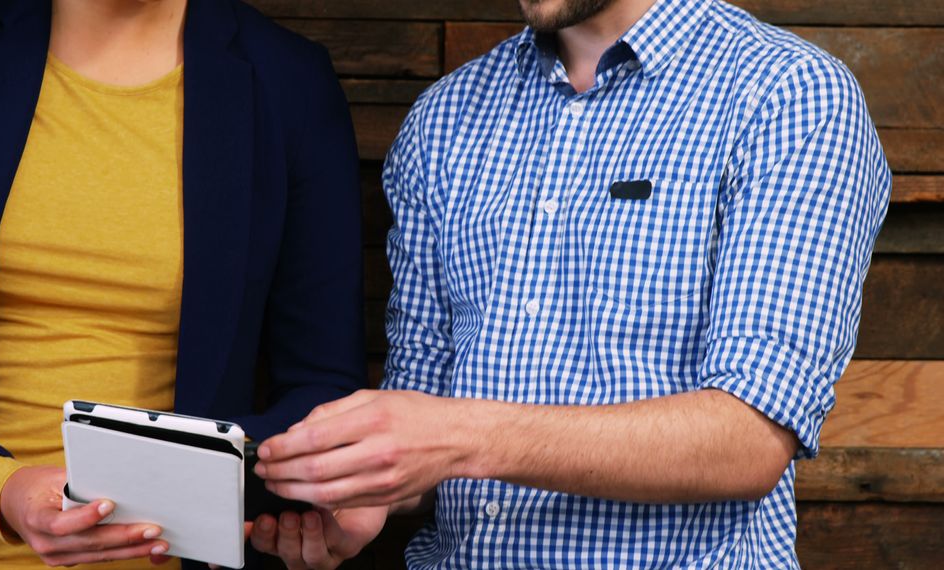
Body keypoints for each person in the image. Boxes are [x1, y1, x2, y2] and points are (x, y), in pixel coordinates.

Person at [250, 0, 891, 567]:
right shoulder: (443, 119)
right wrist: (362, 497)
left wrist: (461, 440)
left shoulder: (790, 96)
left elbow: (748, 441)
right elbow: (421, 411)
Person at [0, 0, 365, 568]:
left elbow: (322, 383)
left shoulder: (287, 80)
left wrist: (207, 483)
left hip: (173, 556)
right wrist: (1, 489)